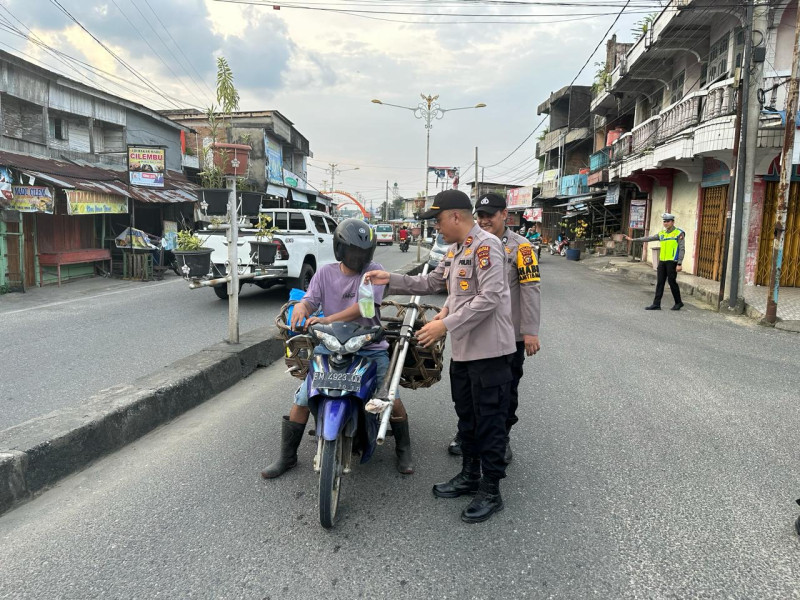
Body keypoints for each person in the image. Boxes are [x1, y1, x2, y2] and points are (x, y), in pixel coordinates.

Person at [366, 189, 516, 524]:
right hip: (465, 351)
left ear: (455, 216)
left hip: (490, 352)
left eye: (437, 220)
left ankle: (491, 490)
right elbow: (432, 282)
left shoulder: (486, 246)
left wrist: (444, 324)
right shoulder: (456, 250)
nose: (436, 228)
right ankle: (469, 476)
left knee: (490, 422)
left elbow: (490, 297)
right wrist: (389, 278)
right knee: (468, 419)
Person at [260, 218, 414, 479]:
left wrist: (327, 319)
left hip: (369, 345)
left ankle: (404, 448)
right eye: (353, 251)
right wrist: (302, 307)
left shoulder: (372, 270)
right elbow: (310, 300)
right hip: (331, 345)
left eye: (363, 252)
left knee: (391, 398)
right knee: (302, 398)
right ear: (340, 249)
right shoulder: (325, 273)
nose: (359, 257)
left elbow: (365, 308)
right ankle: (287, 457)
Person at [448, 193, 541, 463]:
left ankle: (502, 436)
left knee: (505, 392)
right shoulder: (468, 243)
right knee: (469, 391)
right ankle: (467, 435)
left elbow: (530, 289)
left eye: (490, 214)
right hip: (475, 331)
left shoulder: (522, 248)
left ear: (505, 215)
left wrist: (530, 331)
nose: (484, 220)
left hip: (508, 335)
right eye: (480, 215)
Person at [623, 212, 685, 311]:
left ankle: (678, 302)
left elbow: (682, 249)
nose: (666, 223)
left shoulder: (679, 233)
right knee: (660, 282)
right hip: (662, 261)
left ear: (673, 222)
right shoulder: (662, 234)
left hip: (672, 261)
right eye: (664, 221)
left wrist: (679, 263)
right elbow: (648, 238)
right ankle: (656, 304)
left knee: (671, 282)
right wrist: (633, 239)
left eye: (668, 221)